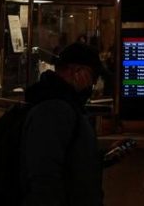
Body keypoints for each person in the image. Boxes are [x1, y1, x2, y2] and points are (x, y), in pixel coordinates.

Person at [20, 42, 105, 206]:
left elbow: (70, 160)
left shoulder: (64, 103)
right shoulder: (54, 109)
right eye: (92, 77)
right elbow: (44, 178)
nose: (92, 85)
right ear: (76, 72)